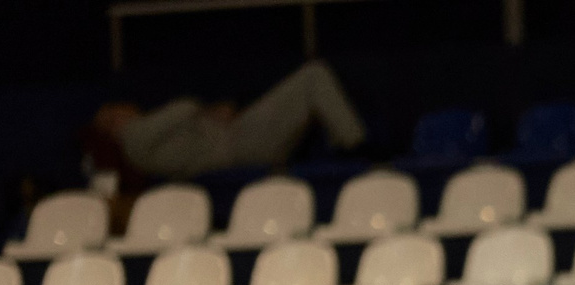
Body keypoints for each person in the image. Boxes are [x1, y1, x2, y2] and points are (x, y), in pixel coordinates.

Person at [84, 61, 365, 194]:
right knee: (312, 77)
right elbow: (184, 107)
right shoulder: (133, 137)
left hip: (236, 139)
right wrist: (209, 110)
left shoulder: (140, 144)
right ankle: (354, 146)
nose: (124, 107)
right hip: (238, 144)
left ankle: (347, 143)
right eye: (115, 111)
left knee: (307, 83)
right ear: (112, 125)